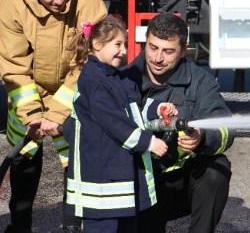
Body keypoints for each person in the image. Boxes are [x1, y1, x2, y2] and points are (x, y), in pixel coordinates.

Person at [0, 0, 107, 232]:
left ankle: (73, 225)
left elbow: (88, 63)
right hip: (30, 92)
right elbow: (14, 67)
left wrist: (57, 114)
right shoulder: (10, 6)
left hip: (72, 92)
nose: (60, 0)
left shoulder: (89, 2)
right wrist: (33, 115)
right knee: (23, 160)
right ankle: (20, 225)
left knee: (76, 162)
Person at [63, 15, 177, 232]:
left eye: (124, 44)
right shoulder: (93, 81)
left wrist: (158, 109)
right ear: (97, 45)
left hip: (115, 177)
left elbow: (132, 106)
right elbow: (115, 122)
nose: (124, 51)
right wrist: (148, 142)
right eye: (117, 44)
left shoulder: (113, 76)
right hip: (100, 184)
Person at [124, 12, 235, 233]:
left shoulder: (200, 81)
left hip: (184, 181)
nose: (157, 58)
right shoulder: (126, 79)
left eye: (168, 51)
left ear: (184, 50)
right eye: (153, 47)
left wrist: (202, 136)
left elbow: (225, 129)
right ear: (145, 41)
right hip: (142, 181)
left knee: (217, 169)